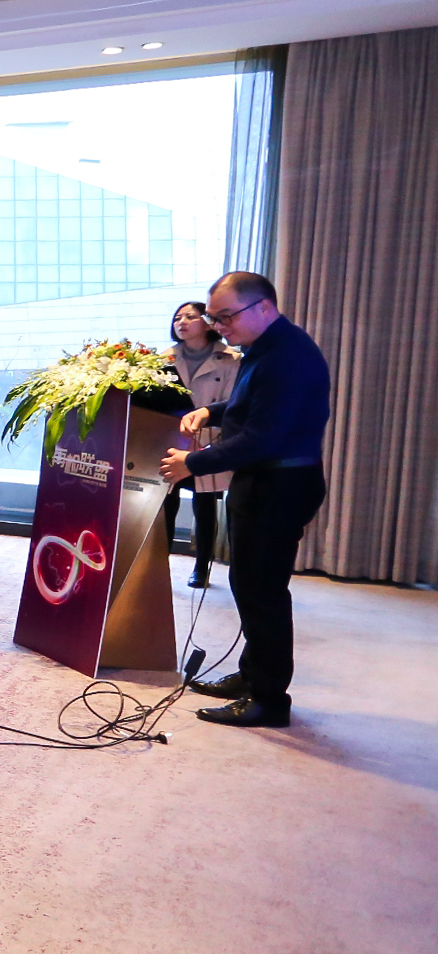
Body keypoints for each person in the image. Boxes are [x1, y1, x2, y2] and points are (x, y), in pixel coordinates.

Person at [158, 271, 329, 728]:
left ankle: (268, 699)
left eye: (226, 316)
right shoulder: (266, 346)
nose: (218, 326)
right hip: (266, 481)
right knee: (250, 584)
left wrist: (192, 464)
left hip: (280, 484)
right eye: (214, 318)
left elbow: (261, 438)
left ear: (264, 307)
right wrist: (209, 411)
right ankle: (253, 675)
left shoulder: (287, 357)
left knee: (262, 592)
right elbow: (251, 407)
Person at [161, 301, 241, 589]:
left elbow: (233, 405)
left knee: (205, 504)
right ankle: (159, 565)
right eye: (177, 318)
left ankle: (201, 567)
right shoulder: (163, 358)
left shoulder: (231, 358)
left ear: (208, 323)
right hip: (171, 438)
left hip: (210, 439)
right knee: (164, 504)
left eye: (190, 317)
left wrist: (210, 437)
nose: (181, 322)